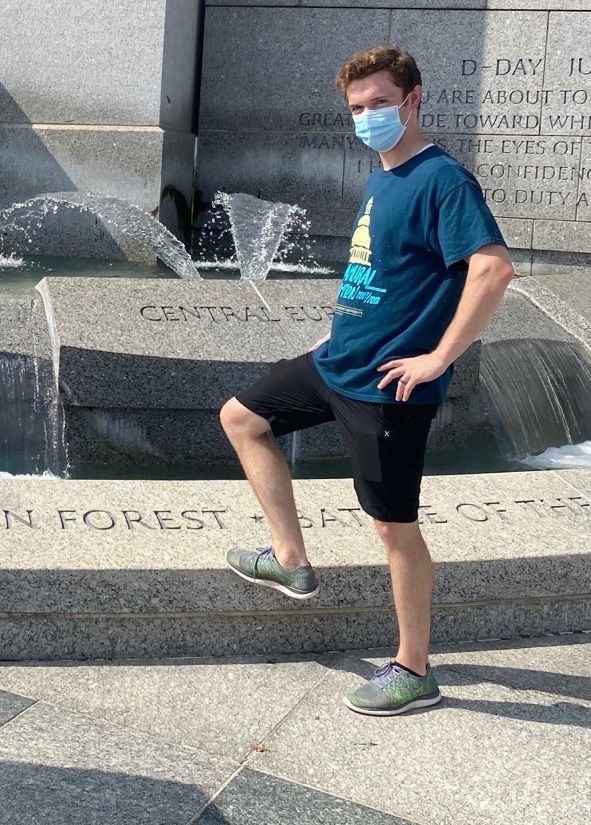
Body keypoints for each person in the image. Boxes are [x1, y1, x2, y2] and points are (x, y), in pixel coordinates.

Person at [220, 45, 515, 716]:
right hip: (337, 362)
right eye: (356, 108)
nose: (367, 117)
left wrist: (438, 357)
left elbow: (491, 270)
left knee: (393, 528)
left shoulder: (442, 179)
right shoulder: (386, 174)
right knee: (241, 416)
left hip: (387, 388)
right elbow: (382, 271)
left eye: (379, 104)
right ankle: (290, 558)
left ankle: (414, 668)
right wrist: (336, 329)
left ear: (413, 99)